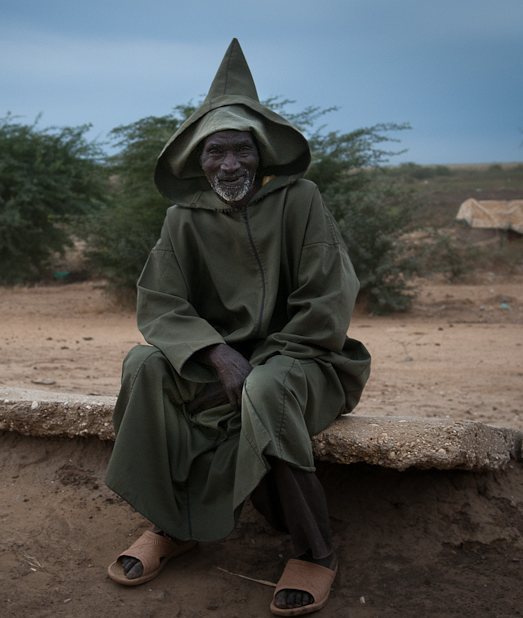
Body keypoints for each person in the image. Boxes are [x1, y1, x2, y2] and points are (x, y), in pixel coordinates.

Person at [104, 39, 372, 616]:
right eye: (215, 153)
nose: (229, 165)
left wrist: (265, 361)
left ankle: (314, 550)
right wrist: (216, 353)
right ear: (197, 161)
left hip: (307, 361)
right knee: (143, 365)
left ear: (262, 154)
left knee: (267, 389)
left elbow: (328, 299)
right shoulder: (183, 218)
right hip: (220, 363)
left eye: (241, 151)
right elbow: (159, 302)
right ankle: (171, 525)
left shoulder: (301, 200)